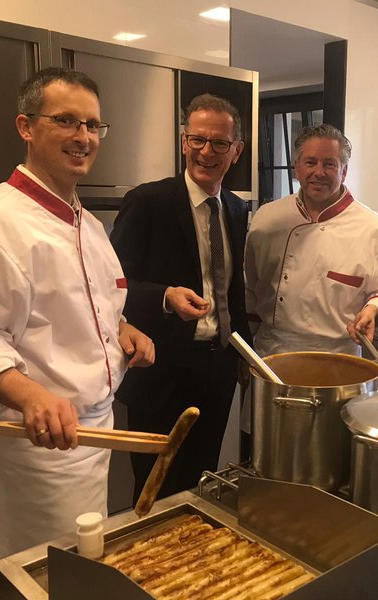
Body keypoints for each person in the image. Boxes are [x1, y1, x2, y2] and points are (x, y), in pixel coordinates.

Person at [0, 67, 154, 600]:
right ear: (26, 127)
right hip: (38, 450)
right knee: (33, 577)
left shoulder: (89, 224)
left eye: (94, 125)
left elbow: (95, 305)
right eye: (67, 121)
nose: (84, 137)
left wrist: (123, 330)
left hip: (93, 432)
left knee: (77, 574)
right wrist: (30, 394)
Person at [110, 94, 251, 499]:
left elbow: (232, 292)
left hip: (217, 370)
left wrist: (243, 357)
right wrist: (165, 296)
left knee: (199, 481)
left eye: (220, 143)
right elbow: (109, 286)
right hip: (161, 372)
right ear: (184, 141)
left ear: (236, 151)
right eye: (197, 140)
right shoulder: (149, 202)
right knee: (155, 485)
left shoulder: (237, 210)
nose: (207, 152)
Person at [244, 123, 378, 357]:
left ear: (344, 171)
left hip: (338, 355)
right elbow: (250, 289)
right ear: (297, 168)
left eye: (329, 164)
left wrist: (374, 308)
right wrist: (245, 351)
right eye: (310, 162)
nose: (319, 172)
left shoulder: (374, 230)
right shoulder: (267, 218)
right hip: (271, 351)